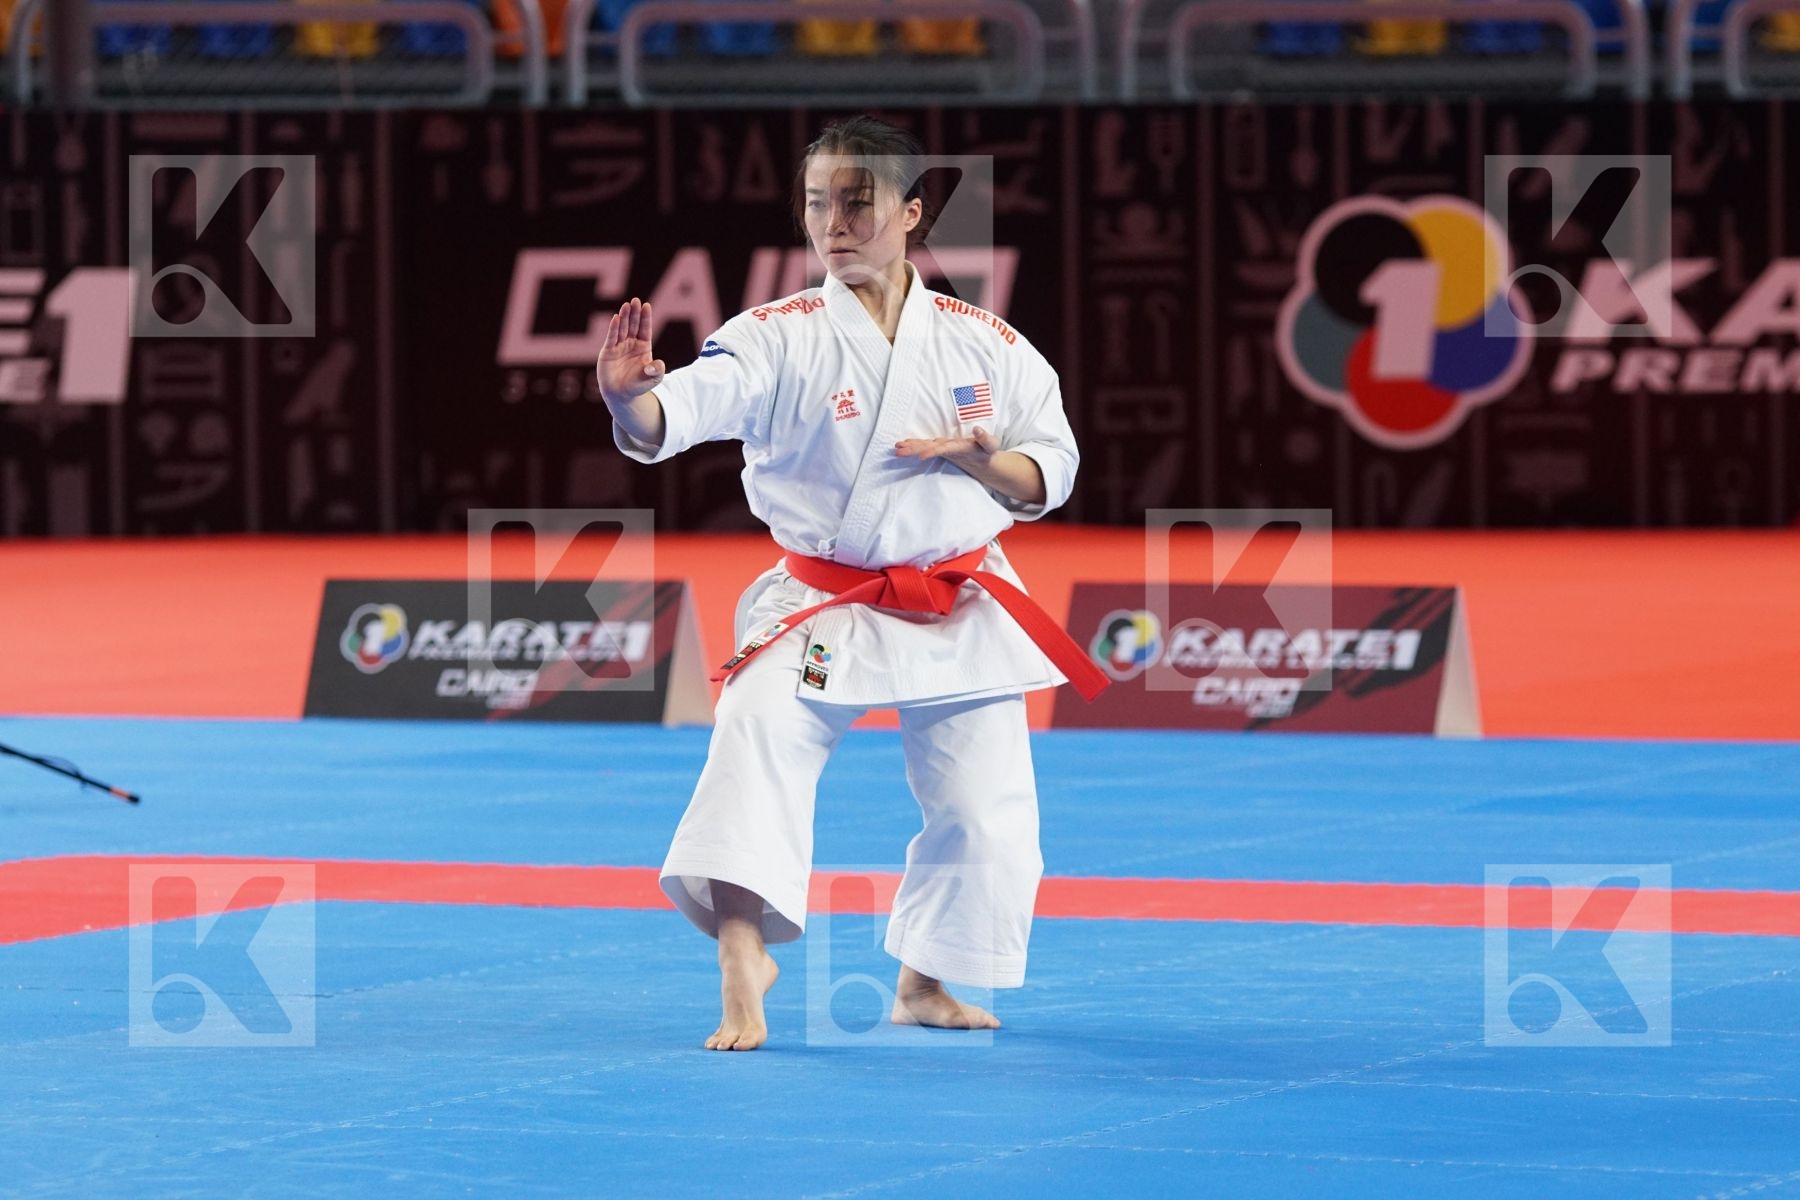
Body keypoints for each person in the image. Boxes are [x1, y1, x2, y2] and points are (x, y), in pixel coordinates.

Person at [598, 115, 1104, 1051]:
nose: (834, 221)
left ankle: (924, 980)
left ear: (911, 213)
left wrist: (986, 467)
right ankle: (741, 958)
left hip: (958, 599)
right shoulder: (776, 335)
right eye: (818, 203)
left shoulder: (985, 341)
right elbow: (691, 405)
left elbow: (1053, 466)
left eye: (859, 202)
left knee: (987, 806)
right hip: (824, 598)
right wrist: (635, 402)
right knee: (755, 739)